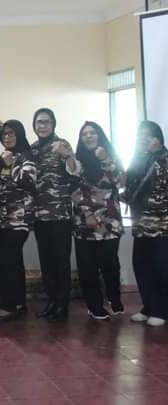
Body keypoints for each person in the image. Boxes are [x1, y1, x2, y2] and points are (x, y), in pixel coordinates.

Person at [31, 108, 81, 322]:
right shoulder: (33, 149)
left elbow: (76, 172)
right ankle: (51, 302)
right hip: (39, 215)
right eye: (38, 122)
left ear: (53, 124)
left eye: (46, 122)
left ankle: (62, 305)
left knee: (61, 262)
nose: (42, 126)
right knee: (46, 262)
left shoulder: (62, 144)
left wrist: (67, 155)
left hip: (60, 214)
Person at [72, 121, 125, 320]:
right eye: (84, 134)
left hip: (109, 221)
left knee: (110, 263)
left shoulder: (111, 157)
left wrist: (105, 159)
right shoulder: (76, 161)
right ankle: (94, 306)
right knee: (88, 267)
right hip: (84, 221)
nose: (89, 136)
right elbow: (73, 189)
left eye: (92, 133)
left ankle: (114, 298)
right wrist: (87, 213)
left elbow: (120, 181)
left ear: (100, 136)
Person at [0, 121, 36, 322]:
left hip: (19, 218)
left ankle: (10, 306)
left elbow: (29, 182)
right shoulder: (4, 156)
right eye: (4, 135)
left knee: (7, 260)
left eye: (11, 134)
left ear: (19, 134)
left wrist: (11, 165)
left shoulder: (25, 156)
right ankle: (17, 303)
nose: (7, 138)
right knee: (12, 261)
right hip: (3, 218)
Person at [123, 121, 168, 327]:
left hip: (161, 225)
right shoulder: (138, 159)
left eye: (147, 135)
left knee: (161, 267)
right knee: (141, 265)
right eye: (139, 134)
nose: (142, 138)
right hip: (140, 224)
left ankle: (162, 311)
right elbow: (131, 188)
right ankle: (149, 307)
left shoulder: (164, 159)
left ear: (158, 138)